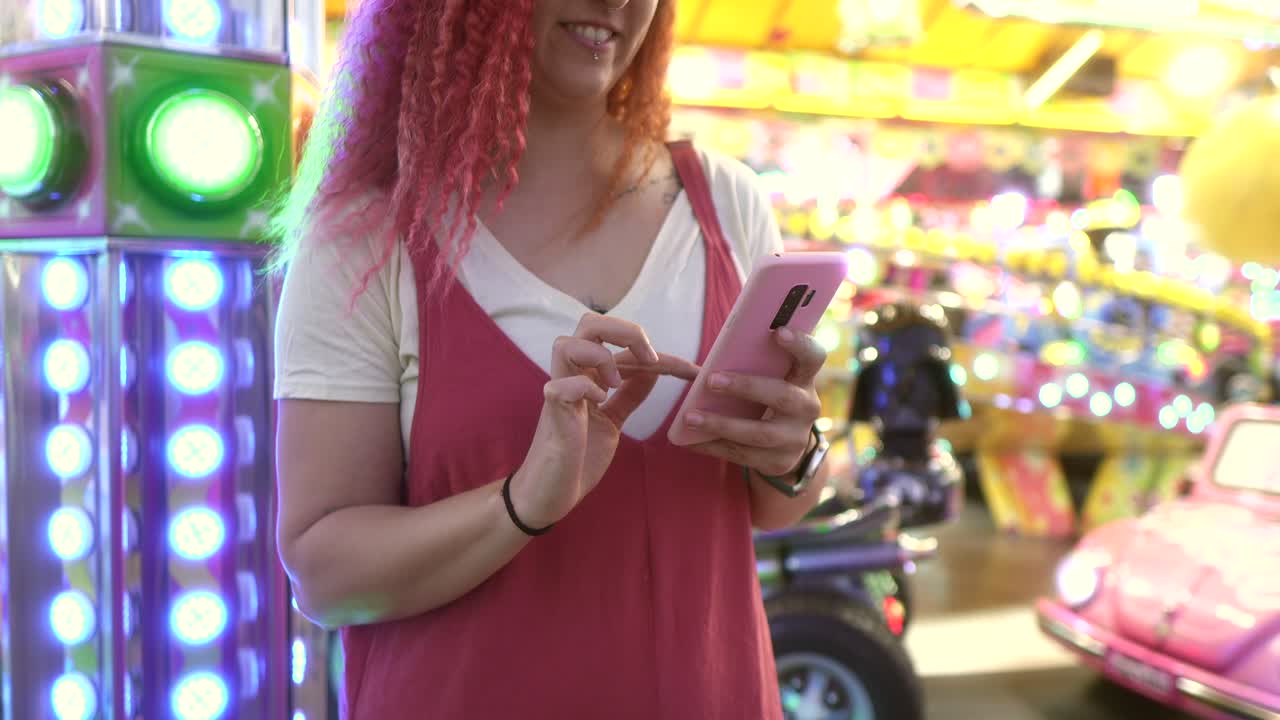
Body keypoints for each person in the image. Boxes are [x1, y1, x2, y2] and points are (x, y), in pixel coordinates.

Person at [271, 0, 833, 717]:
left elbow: (772, 510)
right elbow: (324, 575)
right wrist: (521, 501)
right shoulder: (365, 238)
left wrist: (795, 456)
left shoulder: (727, 205)